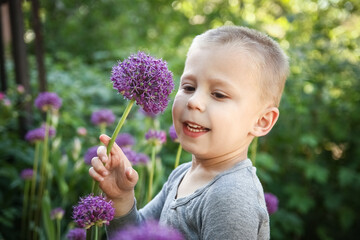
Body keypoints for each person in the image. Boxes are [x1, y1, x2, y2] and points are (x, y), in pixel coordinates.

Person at [89, 25, 289, 240]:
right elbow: (135, 236)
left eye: (219, 94)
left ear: (261, 121)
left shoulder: (231, 196)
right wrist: (121, 198)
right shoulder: (182, 174)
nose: (194, 102)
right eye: (189, 87)